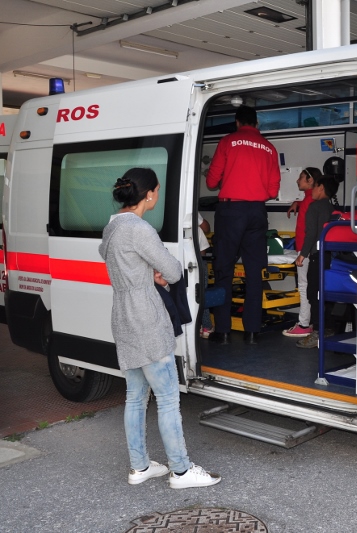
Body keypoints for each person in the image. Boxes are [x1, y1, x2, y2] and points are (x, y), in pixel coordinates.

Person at [98, 167, 221, 490]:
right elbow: (172, 270)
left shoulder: (112, 228)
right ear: (149, 194)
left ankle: (140, 466)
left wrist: (144, 273)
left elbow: (121, 263)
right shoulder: (140, 229)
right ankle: (180, 471)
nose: (158, 195)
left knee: (135, 396)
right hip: (146, 318)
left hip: (122, 315)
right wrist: (158, 272)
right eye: (157, 190)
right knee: (167, 398)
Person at [206, 105, 281, 345]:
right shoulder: (269, 147)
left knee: (223, 271)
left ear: (237, 122)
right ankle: (252, 332)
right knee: (254, 274)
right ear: (256, 124)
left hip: (231, 211)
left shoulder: (228, 141)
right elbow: (272, 190)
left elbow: (211, 181)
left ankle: (223, 331)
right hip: (257, 212)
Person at [295, 176, 339, 349]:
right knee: (325, 294)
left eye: (314, 187)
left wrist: (302, 255)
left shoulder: (314, 207)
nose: (312, 190)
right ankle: (327, 328)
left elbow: (311, 233)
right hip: (329, 257)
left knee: (313, 294)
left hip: (316, 256)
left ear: (320, 187)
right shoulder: (331, 208)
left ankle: (316, 332)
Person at [282, 167, 322, 338]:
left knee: (304, 287)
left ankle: (304, 324)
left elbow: (310, 231)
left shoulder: (310, 202)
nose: (298, 181)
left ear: (310, 180)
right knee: (308, 287)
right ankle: (308, 322)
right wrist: (297, 203)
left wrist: (303, 253)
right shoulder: (309, 200)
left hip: (306, 251)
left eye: (301, 178)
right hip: (307, 250)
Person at [198, 214, 213, 338]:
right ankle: (207, 326)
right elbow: (206, 228)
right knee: (201, 293)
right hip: (198, 259)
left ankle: (196, 326)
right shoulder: (190, 211)